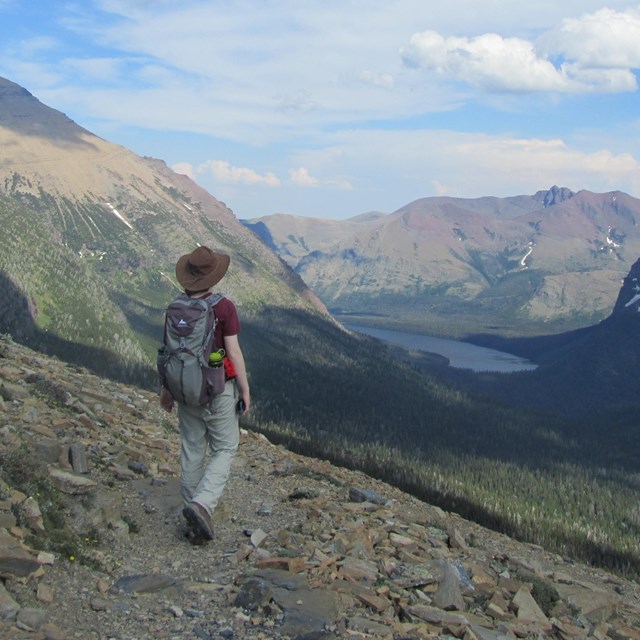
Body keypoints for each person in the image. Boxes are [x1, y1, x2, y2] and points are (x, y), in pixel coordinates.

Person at [159, 246, 250, 544]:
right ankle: (201, 505)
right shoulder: (223, 307)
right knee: (225, 448)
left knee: (192, 449)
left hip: (184, 390)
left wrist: (167, 390)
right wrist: (245, 390)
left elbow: (168, 353)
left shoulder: (175, 308)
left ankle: (192, 516)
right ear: (212, 277)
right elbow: (233, 353)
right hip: (217, 389)